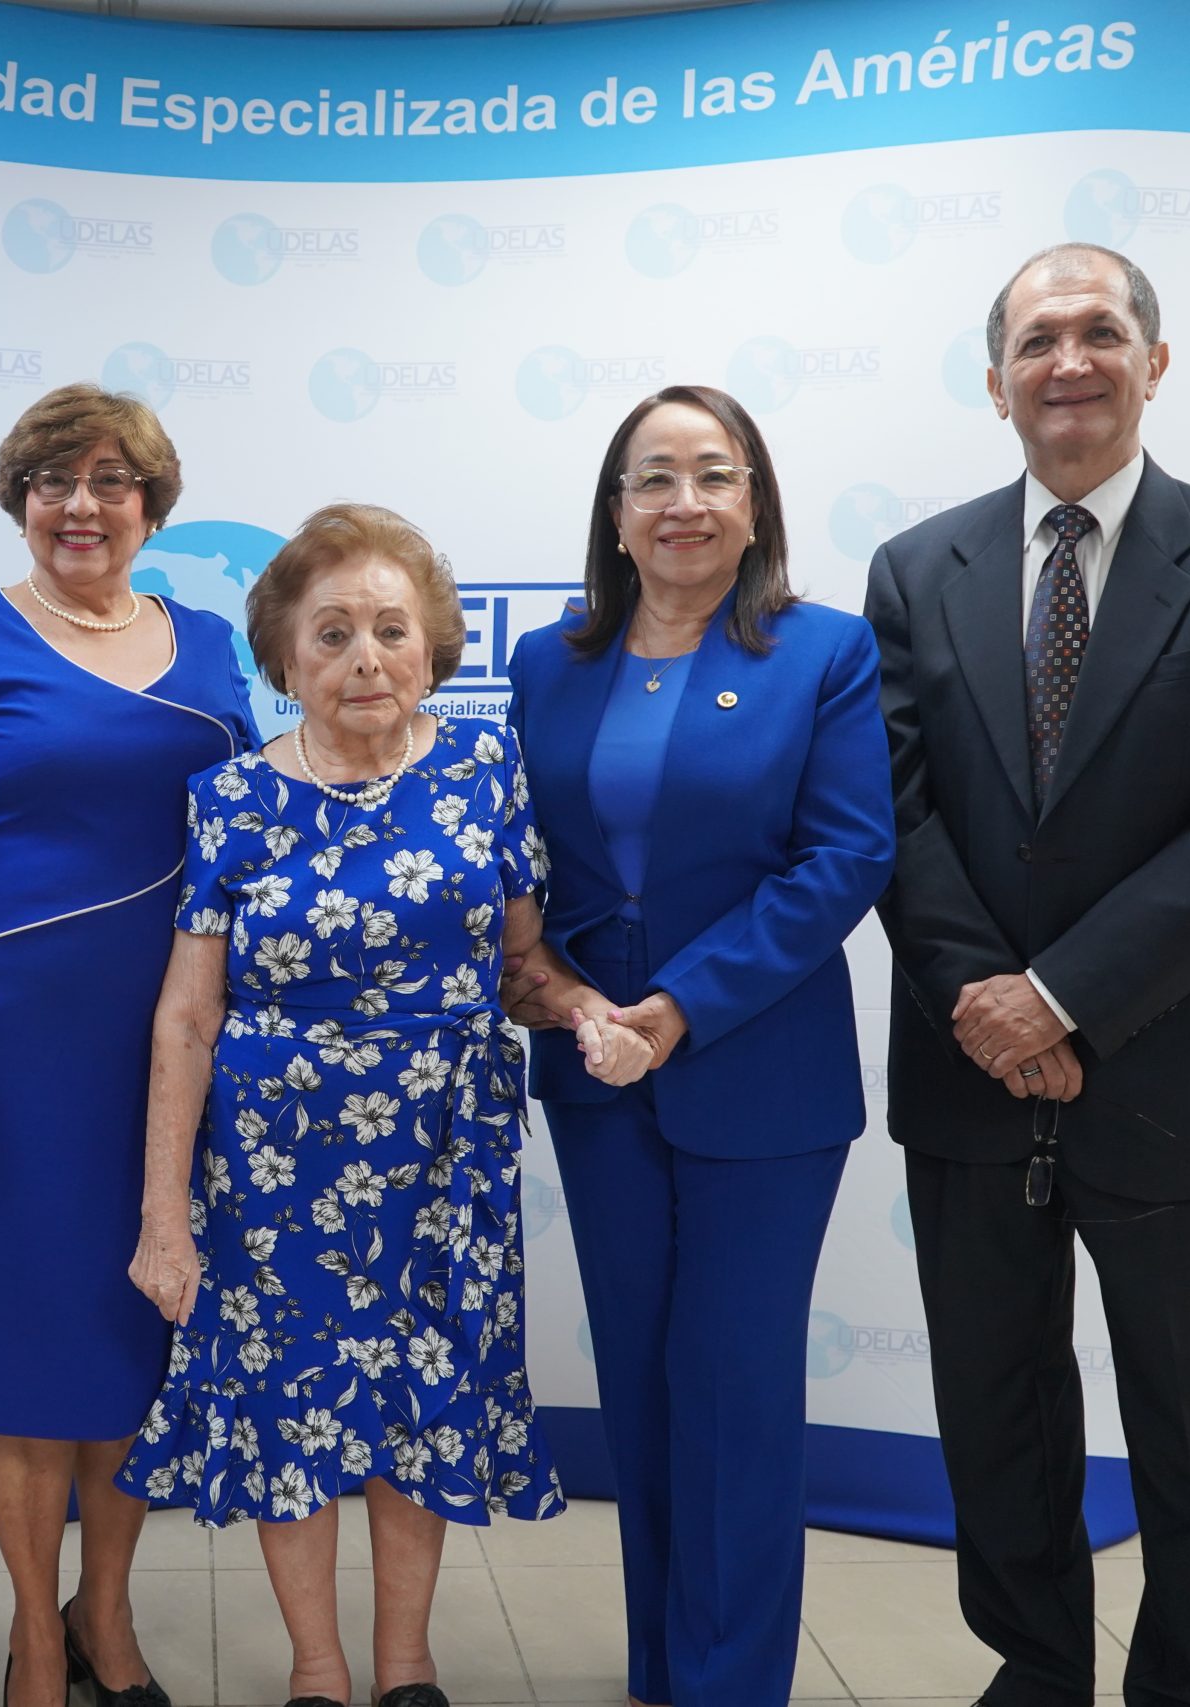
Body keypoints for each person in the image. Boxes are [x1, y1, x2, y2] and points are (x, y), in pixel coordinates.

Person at [866, 242, 1190, 1707]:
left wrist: (1056, 996)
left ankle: (1188, 1682)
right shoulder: (915, 567)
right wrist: (985, 1003)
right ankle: (1038, 1664)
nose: (1071, 358)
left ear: (1156, 361)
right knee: (997, 1408)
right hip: (969, 1072)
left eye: (1102, 332)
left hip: (1172, 1067)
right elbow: (899, 812)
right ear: (996, 379)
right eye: (1039, 338)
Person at [119, 503, 617, 1707]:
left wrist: (589, 1013)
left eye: (391, 629)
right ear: (282, 654)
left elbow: (520, 966)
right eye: (331, 631)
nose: (363, 657)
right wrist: (164, 1217)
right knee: (290, 1411)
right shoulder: (230, 796)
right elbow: (186, 1017)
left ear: (432, 646)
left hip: (446, 1152)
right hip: (275, 1157)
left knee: (420, 1401)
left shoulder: (484, 769)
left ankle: (405, 1669)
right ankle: (316, 1671)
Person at [0, 383, 257, 1707]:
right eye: (50, 480)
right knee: (25, 1352)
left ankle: (110, 1609)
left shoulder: (209, 647)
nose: (79, 505)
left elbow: (258, 843)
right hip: (4, 1065)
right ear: (17, 500)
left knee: (134, 1334)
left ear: (152, 501)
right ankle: (38, 1630)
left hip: (167, 1062)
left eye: (109, 480)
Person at [499, 385, 896, 1707]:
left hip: (755, 1071)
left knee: (732, 1396)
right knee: (644, 1395)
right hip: (594, 1071)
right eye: (651, 478)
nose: (682, 502)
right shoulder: (550, 662)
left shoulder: (825, 652)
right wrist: (548, 987)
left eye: (713, 475)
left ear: (756, 504)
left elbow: (847, 855)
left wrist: (676, 1006)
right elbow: (526, 864)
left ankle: (731, 1683)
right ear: (614, 514)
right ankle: (663, 1670)